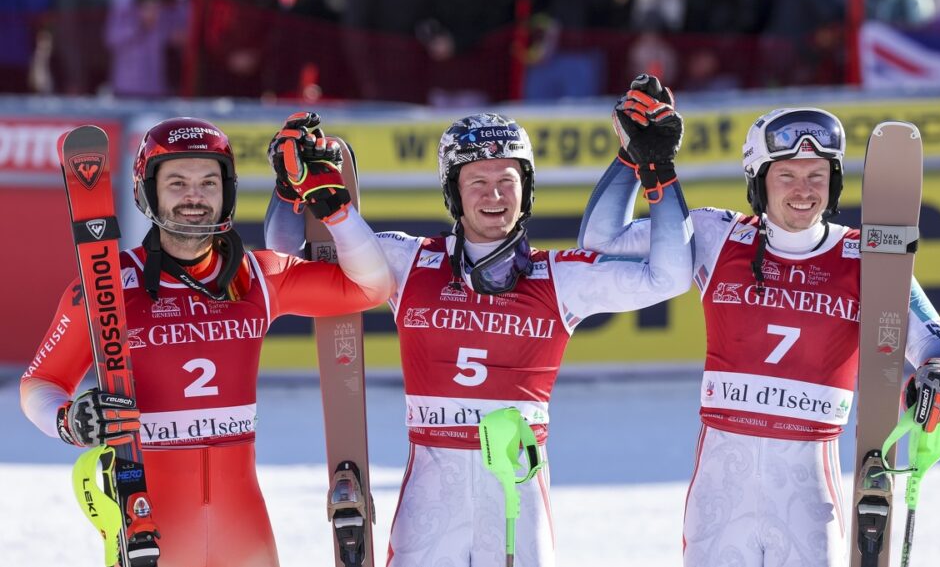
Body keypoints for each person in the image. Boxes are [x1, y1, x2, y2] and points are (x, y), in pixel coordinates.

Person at [263, 103, 693, 566]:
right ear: (454, 191)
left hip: (516, 500)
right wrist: (291, 189)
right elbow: (289, 257)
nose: (495, 195)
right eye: (477, 182)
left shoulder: (560, 277)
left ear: (526, 190)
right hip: (431, 498)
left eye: (508, 181)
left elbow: (668, 278)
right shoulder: (408, 262)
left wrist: (652, 170)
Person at [578, 101, 940, 566]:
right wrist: (632, 159)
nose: (803, 191)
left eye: (817, 177)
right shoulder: (715, 234)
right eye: (787, 176)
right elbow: (601, 240)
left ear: (835, 183)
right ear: (759, 182)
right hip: (719, 496)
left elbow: (939, 345)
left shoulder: (865, 257)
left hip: (807, 501)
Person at [20, 116, 392, 567]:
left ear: (227, 191)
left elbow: (372, 286)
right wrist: (69, 421)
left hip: (244, 528)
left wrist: (335, 210)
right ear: (148, 192)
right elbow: (39, 382)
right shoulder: (108, 284)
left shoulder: (257, 276)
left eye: (208, 182)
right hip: (153, 528)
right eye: (177, 182)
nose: (194, 196)